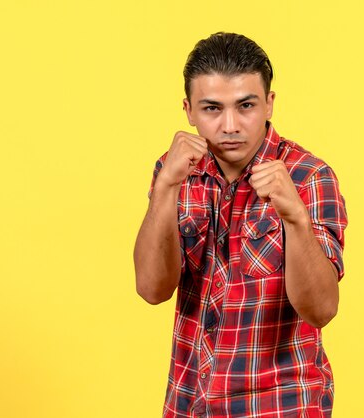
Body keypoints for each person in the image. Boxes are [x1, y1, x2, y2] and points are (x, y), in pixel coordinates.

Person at [134, 32, 348, 418]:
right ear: (188, 110)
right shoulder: (175, 171)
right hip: (189, 403)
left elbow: (322, 310)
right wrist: (166, 185)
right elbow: (152, 289)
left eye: (245, 105)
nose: (230, 126)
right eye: (212, 109)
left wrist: (295, 217)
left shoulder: (308, 176)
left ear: (269, 103)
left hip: (281, 406)